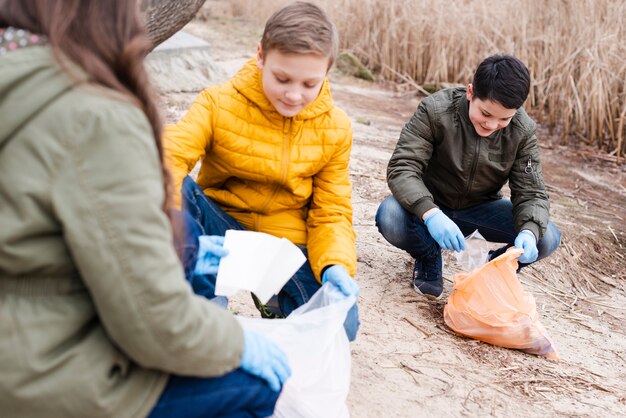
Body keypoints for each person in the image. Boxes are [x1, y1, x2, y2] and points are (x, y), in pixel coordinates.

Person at [0, 1, 291, 417]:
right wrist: (236, 340)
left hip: (20, 311)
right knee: (258, 384)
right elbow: (152, 322)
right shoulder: (95, 114)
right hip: (33, 372)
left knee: (183, 235)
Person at [163, 2, 360, 340]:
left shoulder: (336, 128)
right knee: (169, 182)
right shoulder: (218, 102)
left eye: (310, 84)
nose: (294, 95)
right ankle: (203, 288)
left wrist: (335, 265)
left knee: (341, 328)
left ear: (327, 73)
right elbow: (170, 155)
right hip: (220, 230)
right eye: (282, 78)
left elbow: (331, 211)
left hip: (283, 247)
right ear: (261, 56)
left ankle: (274, 299)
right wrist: (182, 241)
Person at [375, 54, 561, 299]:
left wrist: (528, 232)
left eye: (504, 118)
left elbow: (531, 192)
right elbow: (402, 167)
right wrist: (430, 214)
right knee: (390, 215)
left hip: (481, 210)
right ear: (471, 92)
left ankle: (493, 268)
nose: (492, 125)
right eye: (485, 114)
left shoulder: (522, 131)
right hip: (430, 206)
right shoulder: (435, 110)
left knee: (545, 236)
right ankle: (429, 256)